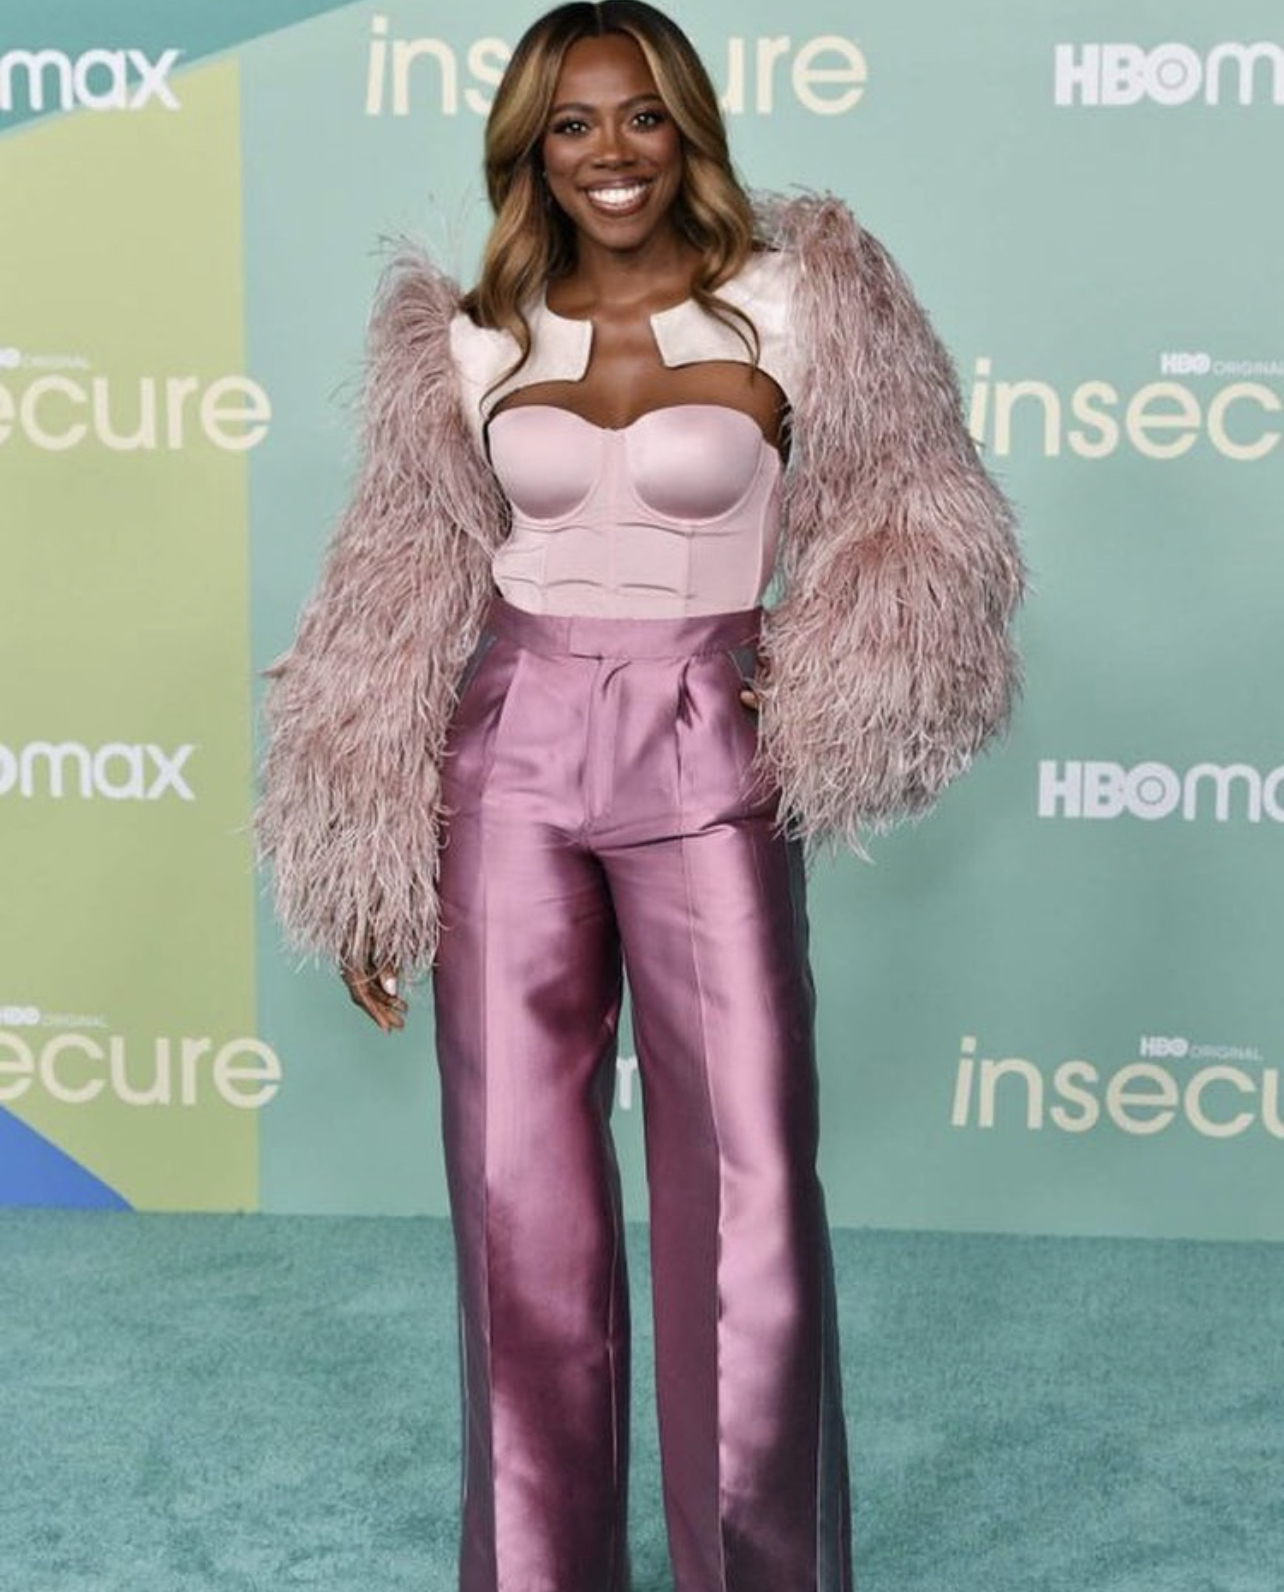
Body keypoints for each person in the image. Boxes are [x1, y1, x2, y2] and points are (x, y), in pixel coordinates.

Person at [257, 3, 1023, 1589]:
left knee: (749, 1196)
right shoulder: (474, 336)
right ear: (531, 149)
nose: (611, 153)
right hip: (511, 756)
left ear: (689, 130)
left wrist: (830, 675)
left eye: (642, 116)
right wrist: (360, 853)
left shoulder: (798, 306)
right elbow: (396, 588)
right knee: (514, 1199)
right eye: (574, 123)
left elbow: (920, 512)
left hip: (705, 746)